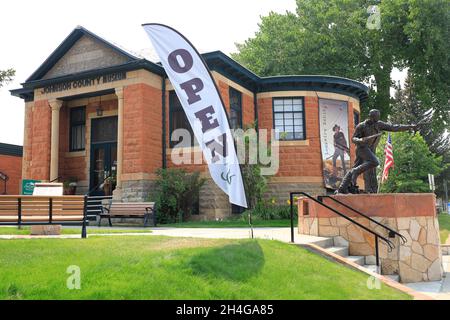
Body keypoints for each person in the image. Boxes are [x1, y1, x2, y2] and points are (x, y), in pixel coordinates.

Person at [337, 109, 417, 194]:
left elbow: (394, 127)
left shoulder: (379, 124)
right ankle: (356, 172)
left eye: (378, 117)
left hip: (371, 150)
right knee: (375, 162)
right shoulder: (361, 126)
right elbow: (353, 138)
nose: (377, 119)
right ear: (371, 116)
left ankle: (342, 187)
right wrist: (360, 140)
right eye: (375, 117)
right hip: (362, 149)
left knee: (358, 167)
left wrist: (410, 127)